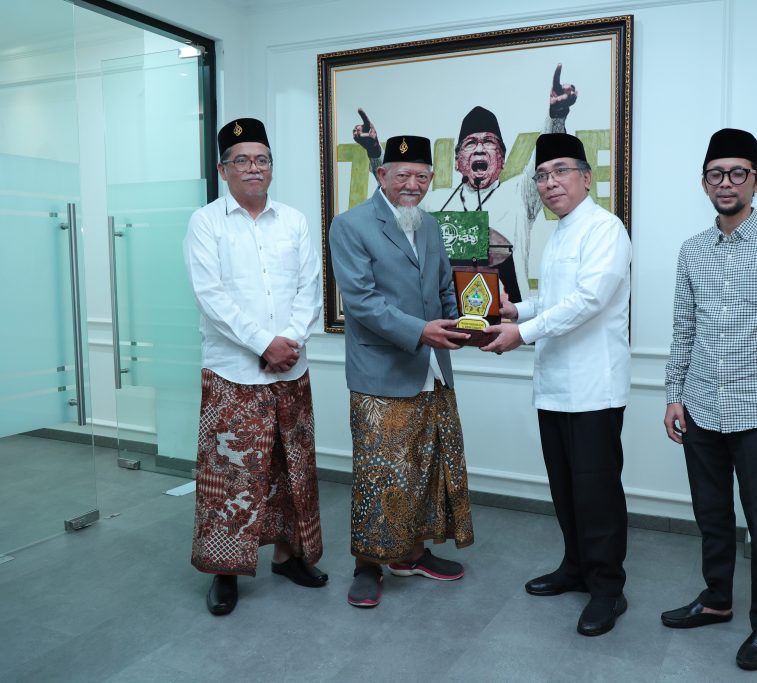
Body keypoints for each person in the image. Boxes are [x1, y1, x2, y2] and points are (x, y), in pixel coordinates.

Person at [661, 128, 757, 671]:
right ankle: (716, 599)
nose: (726, 183)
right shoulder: (692, 250)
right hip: (701, 404)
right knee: (711, 515)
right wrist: (674, 395)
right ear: (704, 183)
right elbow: (684, 329)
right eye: (716, 174)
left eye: (737, 173)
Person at [482, 133, 631, 636]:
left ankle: (608, 588)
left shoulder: (606, 229)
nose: (550, 183)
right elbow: (554, 300)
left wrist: (521, 333)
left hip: (593, 388)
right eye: (542, 175)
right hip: (554, 386)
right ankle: (576, 567)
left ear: (586, 177)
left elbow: (588, 300)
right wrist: (516, 311)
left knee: (597, 493)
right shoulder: (559, 233)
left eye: (561, 171)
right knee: (565, 487)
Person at [184, 117, 327, 616]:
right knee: (232, 477)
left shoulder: (294, 221)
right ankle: (225, 573)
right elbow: (211, 296)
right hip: (233, 374)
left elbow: (310, 289)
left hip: (291, 369)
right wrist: (265, 343)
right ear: (223, 169)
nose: (253, 168)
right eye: (242, 160)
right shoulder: (206, 223)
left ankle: (289, 557)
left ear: (271, 167)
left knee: (292, 469)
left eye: (262, 159)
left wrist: (290, 342)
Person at [329, 135, 475, 609]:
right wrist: (421, 331)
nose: (413, 184)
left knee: (425, 468)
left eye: (422, 176)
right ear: (382, 175)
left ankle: (411, 554)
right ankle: (367, 566)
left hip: (432, 368)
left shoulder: (430, 226)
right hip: (381, 371)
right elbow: (361, 302)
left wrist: (467, 325)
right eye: (403, 175)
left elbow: (444, 287)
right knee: (380, 474)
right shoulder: (350, 225)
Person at [351, 64, 579, 299]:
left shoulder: (520, 194)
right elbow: (396, 190)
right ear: (457, 161)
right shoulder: (435, 202)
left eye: (489, 142)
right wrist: (374, 151)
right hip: (449, 317)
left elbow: (543, 156)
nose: (479, 149)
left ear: (502, 158)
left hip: (508, 316)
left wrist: (557, 115)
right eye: (470, 143)